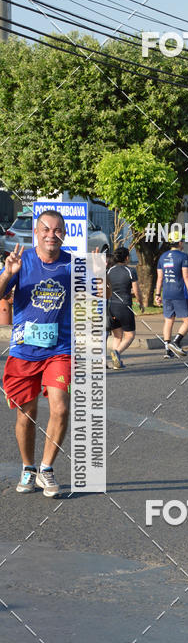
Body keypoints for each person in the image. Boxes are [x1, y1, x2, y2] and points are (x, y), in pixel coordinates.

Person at [0, 211, 71, 496]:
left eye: (57, 230)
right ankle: (28, 468)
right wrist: (7, 273)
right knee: (26, 415)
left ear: (64, 233)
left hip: (60, 350)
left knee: (60, 408)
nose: (51, 235)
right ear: (36, 231)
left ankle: (47, 469)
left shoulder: (73, 265)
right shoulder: (21, 260)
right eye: (45, 229)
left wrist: (98, 277)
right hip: (25, 350)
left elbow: (93, 301)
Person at [155, 226, 188, 358]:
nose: (183, 243)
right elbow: (186, 277)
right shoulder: (183, 256)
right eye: (182, 241)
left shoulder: (162, 257)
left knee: (168, 321)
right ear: (179, 242)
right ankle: (176, 342)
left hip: (167, 294)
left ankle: (167, 351)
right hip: (179, 293)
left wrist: (157, 294)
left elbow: (160, 277)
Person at [107, 246, 144, 369]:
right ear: (127, 258)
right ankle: (116, 352)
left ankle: (116, 362)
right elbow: (136, 290)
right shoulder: (130, 271)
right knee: (130, 335)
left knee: (117, 336)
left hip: (111, 306)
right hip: (124, 307)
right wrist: (141, 302)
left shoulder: (109, 271)